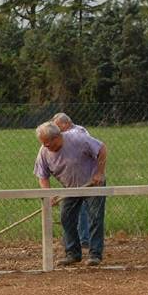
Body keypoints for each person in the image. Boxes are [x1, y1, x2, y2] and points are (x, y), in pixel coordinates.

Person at [34, 121, 107, 267]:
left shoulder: (78, 139)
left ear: (57, 137)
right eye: (43, 144)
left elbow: (102, 148)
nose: (45, 146)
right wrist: (48, 194)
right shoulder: (44, 151)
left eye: (47, 143)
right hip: (69, 188)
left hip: (92, 183)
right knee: (66, 218)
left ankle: (95, 255)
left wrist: (99, 172)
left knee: (95, 217)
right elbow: (42, 175)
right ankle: (72, 253)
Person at [52, 113, 91, 248]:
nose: (56, 130)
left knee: (82, 209)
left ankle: (83, 239)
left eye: (57, 126)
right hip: (71, 178)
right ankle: (71, 240)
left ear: (66, 124)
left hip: (84, 178)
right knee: (69, 211)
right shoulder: (66, 134)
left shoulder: (78, 132)